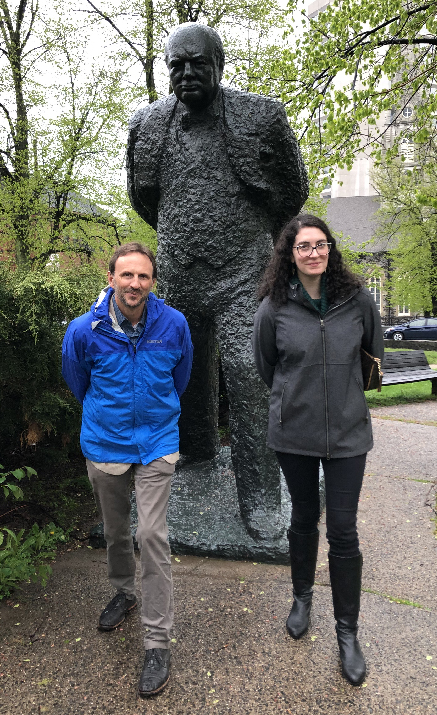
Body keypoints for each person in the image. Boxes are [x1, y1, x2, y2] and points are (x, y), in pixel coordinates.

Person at [127, 22, 308, 540]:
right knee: (183, 370)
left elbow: (290, 191)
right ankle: (198, 451)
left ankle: (260, 496)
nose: (186, 74)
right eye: (175, 65)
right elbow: (145, 200)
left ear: (219, 64)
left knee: (249, 376)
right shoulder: (149, 124)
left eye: (196, 63)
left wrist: (249, 238)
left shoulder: (262, 116)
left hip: (243, 275)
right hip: (181, 272)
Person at [252, 214, 384, 686]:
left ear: (330, 249)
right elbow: (267, 366)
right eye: (304, 246)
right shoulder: (274, 307)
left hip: (349, 434)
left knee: (344, 531)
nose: (313, 252)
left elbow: (372, 355)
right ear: (290, 254)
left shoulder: (357, 300)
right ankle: (302, 596)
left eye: (321, 244)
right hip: (295, 435)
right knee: (304, 517)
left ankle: (347, 633)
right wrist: (298, 400)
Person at [61, 242, 193, 697]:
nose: (135, 284)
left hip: (157, 443)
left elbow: (182, 376)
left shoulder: (172, 324)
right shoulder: (84, 330)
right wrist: (109, 418)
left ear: (152, 282)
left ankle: (157, 642)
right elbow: (78, 382)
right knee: (116, 532)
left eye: (144, 277)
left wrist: (155, 416)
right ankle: (123, 590)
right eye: (127, 275)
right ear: (111, 277)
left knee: (151, 535)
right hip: (105, 444)